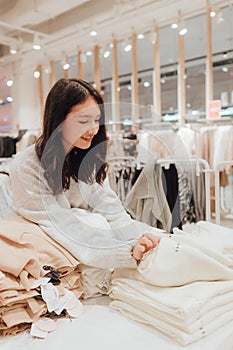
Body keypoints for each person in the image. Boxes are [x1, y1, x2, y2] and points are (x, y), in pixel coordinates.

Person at [9, 78, 162, 269]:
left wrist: (138, 237)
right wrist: (126, 251)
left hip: (89, 253)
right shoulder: (26, 165)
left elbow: (110, 207)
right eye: (83, 121)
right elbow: (61, 225)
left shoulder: (86, 157)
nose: (94, 129)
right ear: (58, 121)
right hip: (46, 262)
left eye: (97, 120)